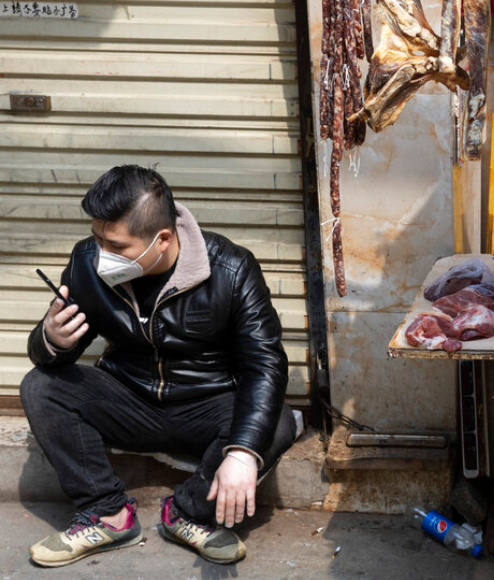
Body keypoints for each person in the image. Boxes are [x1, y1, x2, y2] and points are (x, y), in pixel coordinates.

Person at [20, 165, 297, 567]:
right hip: (128, 400)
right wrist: (50, 339)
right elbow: (53, 354)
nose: (101, 254)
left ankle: (188, 514)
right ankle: (107, 514)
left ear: (162, 239)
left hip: (208, 406)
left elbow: (266, 364)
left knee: (277, 422)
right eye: (97, 238)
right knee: (41, 385)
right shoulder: (87, 263)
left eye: (115, 245)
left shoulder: (232, 270)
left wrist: (242, 451)